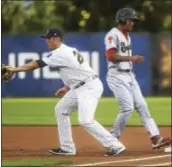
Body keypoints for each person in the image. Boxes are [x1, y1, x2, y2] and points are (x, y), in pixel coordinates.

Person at [8, 28, 125, 156]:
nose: (46, 41)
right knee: (61, 109)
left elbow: (36, 64)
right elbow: (77, 71)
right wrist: (67, 87)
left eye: (48, 38)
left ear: (57, 39)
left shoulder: (60, 53)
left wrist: (15, 69)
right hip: (79, 86)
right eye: (46, 38)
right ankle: (67, 147)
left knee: (86, 120)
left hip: (89, 87)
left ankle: (115, 145)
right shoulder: (69, 50)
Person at [104, 8, 171, 150]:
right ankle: (112, 140)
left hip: (129, 75)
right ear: (122, 19)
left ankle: (155, 138)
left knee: (142, 106)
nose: (133, 23)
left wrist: (130, 60)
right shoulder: (112, 35)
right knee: (127, 108)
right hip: (116, 75)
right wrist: (131, 58)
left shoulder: (127, 35)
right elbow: (110, 56)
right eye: (130, 20)